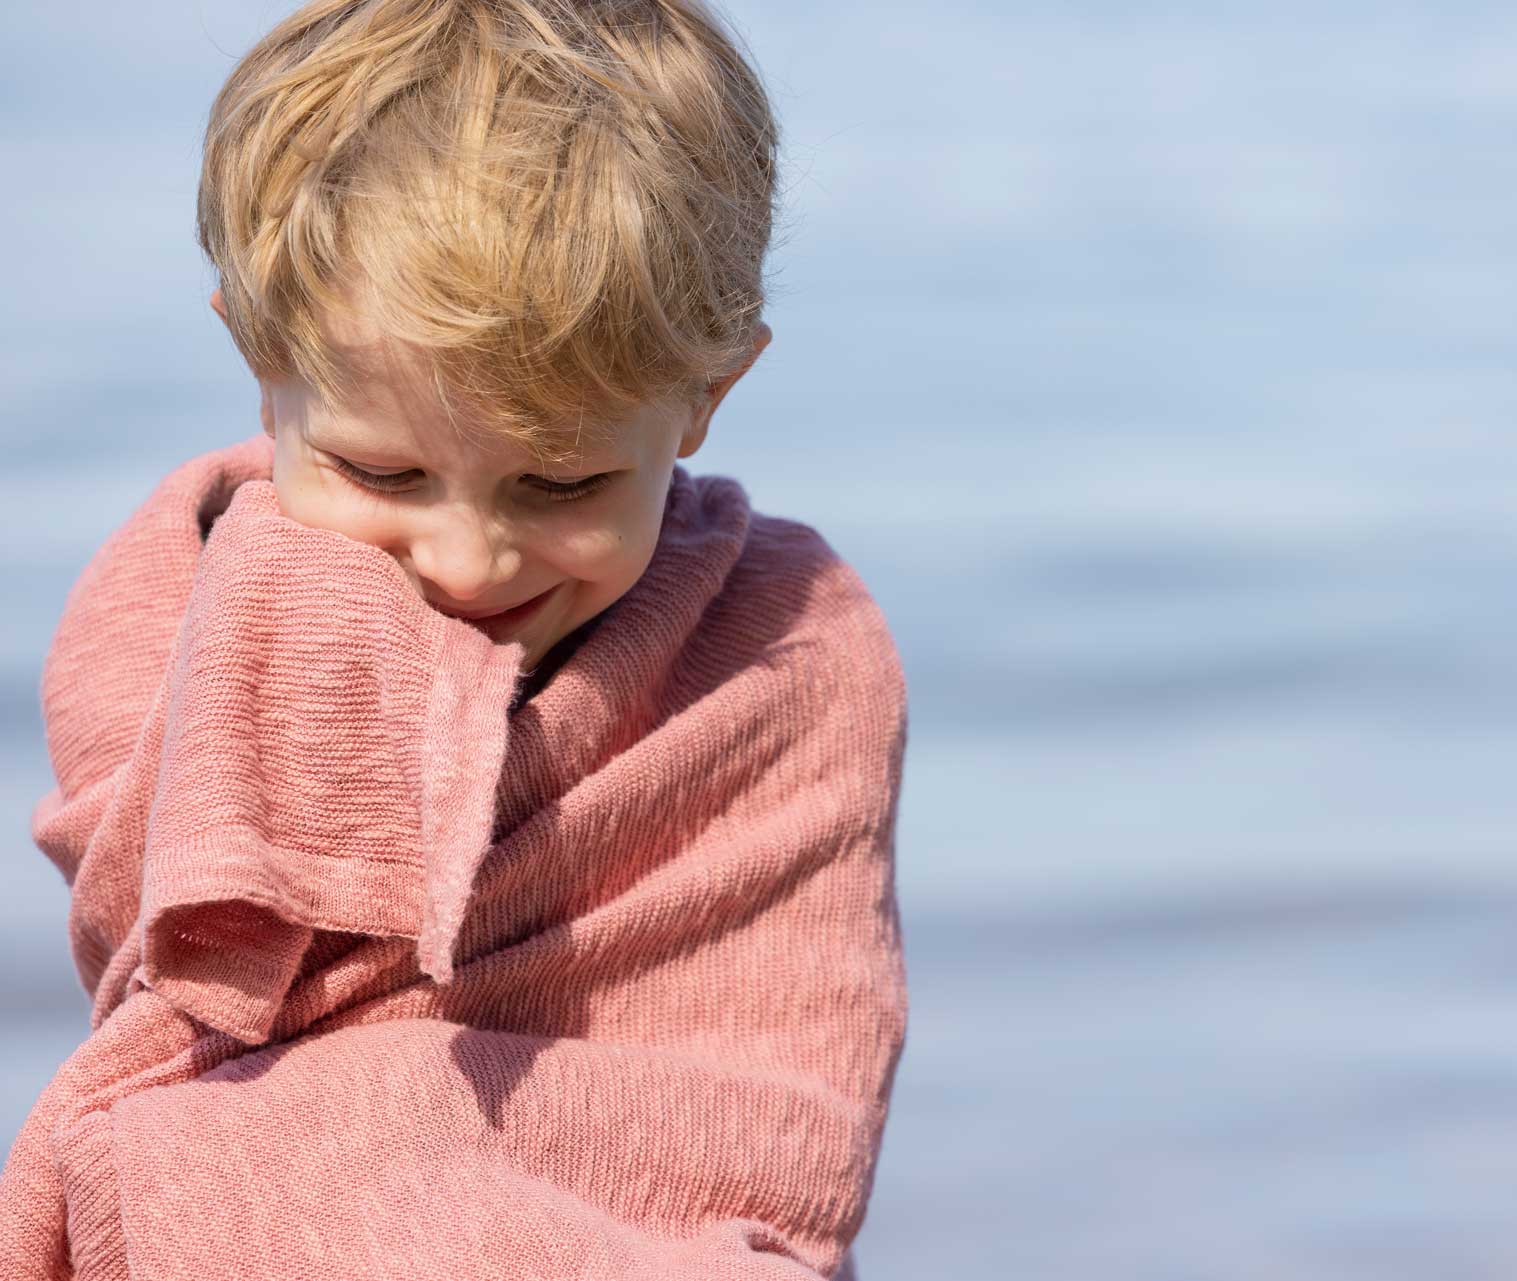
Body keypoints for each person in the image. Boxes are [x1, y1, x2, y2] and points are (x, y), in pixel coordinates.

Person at [0, 3, 905, 1277]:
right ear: (263, 365)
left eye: (562, 486)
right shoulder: (180, 605)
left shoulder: (788, 643)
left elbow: (776, 1095)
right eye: (384, 471)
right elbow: (189, 1010)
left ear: (708, 397)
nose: (470, 561)